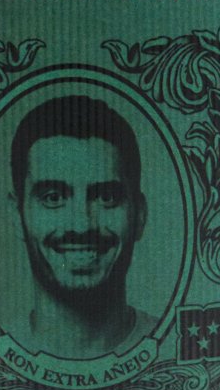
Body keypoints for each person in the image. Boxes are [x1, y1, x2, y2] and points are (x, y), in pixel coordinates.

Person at [9, 95, 156, 358]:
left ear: (140, 215)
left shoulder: (177, 348)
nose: (81, 225)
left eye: (106, 197)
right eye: (53, 197)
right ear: (17, 215)